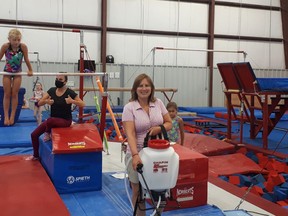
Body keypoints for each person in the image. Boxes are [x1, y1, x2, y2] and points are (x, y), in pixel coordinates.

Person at [122, 73, 172, 215]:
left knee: (161, 190)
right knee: (138, 191)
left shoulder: (158, 103)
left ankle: (157, 214)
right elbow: (130, 134)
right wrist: (135, 155)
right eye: (141, 86)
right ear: (135, 89)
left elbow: (169, 122)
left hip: (158, 153)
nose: (144, 88)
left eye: (147, 85)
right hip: (137, 151)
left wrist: (159, 128)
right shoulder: (129, 108)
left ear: (151, 88)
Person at [28, 73, 85, 160]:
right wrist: (46, 101)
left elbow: (82, 104)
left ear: (65, 81)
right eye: (57, 79)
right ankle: (35, 156)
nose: (58, 81)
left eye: (60, 79)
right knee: (34, 135)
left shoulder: (69, 92)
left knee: (50, 120)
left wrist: (72, 101)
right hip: (53, 120)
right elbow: (39, 103)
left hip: (65, 120)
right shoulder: (51, 90)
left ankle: (47, 133)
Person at [0, 28, 33, 126]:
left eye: (18, 40)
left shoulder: (23, 47)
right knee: (7, 94)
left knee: (14, 94)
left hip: (18, 72)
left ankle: (12, 116)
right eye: (14, 40)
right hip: (7, 72)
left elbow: (26, 59)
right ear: (9, 39)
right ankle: (6, 116)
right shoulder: (5, 46)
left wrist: (30, 70)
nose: (16, 42)